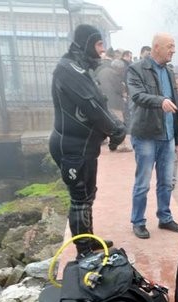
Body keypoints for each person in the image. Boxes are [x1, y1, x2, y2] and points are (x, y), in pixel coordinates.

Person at [48, 24, 126, 257]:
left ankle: (89, 239)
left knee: (87, 195)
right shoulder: (68, 69)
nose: (102, 50)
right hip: (71, 147)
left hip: (83, 146)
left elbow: (99, 103)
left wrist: (115, 128)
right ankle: (84, 251)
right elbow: (92, 105)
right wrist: (115, 129)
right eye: (99, 44)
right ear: (86, 43)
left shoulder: (80, 68)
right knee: (80, 199)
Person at [126, 32, 178, 239]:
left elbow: (175, 106)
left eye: (174, 46)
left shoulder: (169, 71)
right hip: (146, 135)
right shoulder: (136, 69)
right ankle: (138, 221)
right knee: (143, 182)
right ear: (157, 47)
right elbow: (137, 96)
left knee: (166, 181)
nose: (173, 50)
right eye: (170, 46)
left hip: (167, 135)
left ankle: (165, 217)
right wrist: (159, 101)